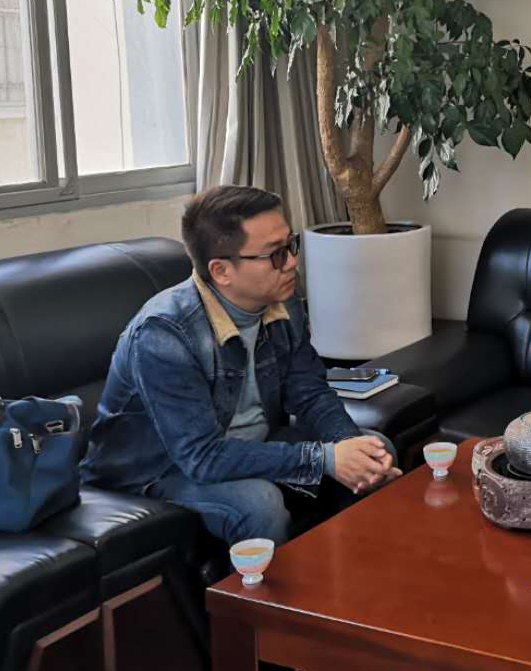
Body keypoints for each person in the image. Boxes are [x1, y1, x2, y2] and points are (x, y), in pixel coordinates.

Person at [81, 185, 400, 545]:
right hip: (157, 472)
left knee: (376, 449)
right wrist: (324, 458)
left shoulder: (282, 301)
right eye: (275, 254)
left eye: (290, 246)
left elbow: (310, 393)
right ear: (221, 271)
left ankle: (347, 569)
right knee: (259, 505)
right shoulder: (164, 335)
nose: (291, 263)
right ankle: (279, 584)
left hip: (248, 445)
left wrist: (350, 447)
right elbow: (202, 457)